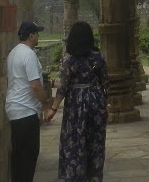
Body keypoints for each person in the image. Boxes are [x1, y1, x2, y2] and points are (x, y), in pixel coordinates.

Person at [44, 21, 109, 181]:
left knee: (74, 141)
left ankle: (75, 176)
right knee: (95, 142)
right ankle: (94, 176)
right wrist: (105, 103)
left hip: (75, 104)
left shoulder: (69, 60)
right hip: (96, 101)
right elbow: (106, 82)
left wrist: (53, 108)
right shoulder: (98, 56)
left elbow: (63, 88)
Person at [6, 21, 50, 182]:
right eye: (37, 33)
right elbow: (35, 85)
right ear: (31, 35)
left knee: (19, 156)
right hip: (26, 111)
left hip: (15, 110)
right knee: (28, 157)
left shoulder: (14, 53)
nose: (38, 36)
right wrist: (46, 103)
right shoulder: (28, 54)